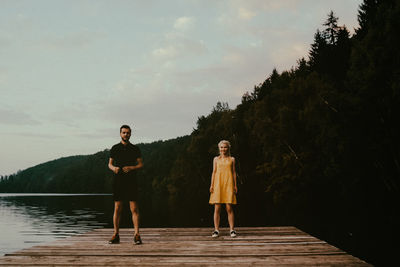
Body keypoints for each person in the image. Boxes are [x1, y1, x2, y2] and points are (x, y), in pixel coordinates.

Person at [108, 124, 144, 245]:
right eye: (123, 132)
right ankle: (116, 234)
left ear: (130, 134)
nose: (126, 134)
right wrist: (114, 169)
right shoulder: (114, 148)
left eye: (127, 133)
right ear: (120, 134)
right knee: (117, 208)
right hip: (118, 181)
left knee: (134, 208)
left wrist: (132, 167)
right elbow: (110, 164)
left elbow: (140, 164)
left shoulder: (135, 149)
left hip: (131, 181)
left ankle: (137, 235)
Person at [209, 140, 238, 238]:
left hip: (228, 184)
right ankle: (216, 230)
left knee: (229, 207)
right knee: (217, 208)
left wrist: (235, 185)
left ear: (228, 148)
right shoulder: (216, 159)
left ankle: (232, 230)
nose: (223, 149)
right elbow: (214, 172)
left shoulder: (232, 159)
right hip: (218, 184)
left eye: (225, 147)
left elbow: (234, 172)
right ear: (219, 148)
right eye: (221, 147)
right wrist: (211, 185)